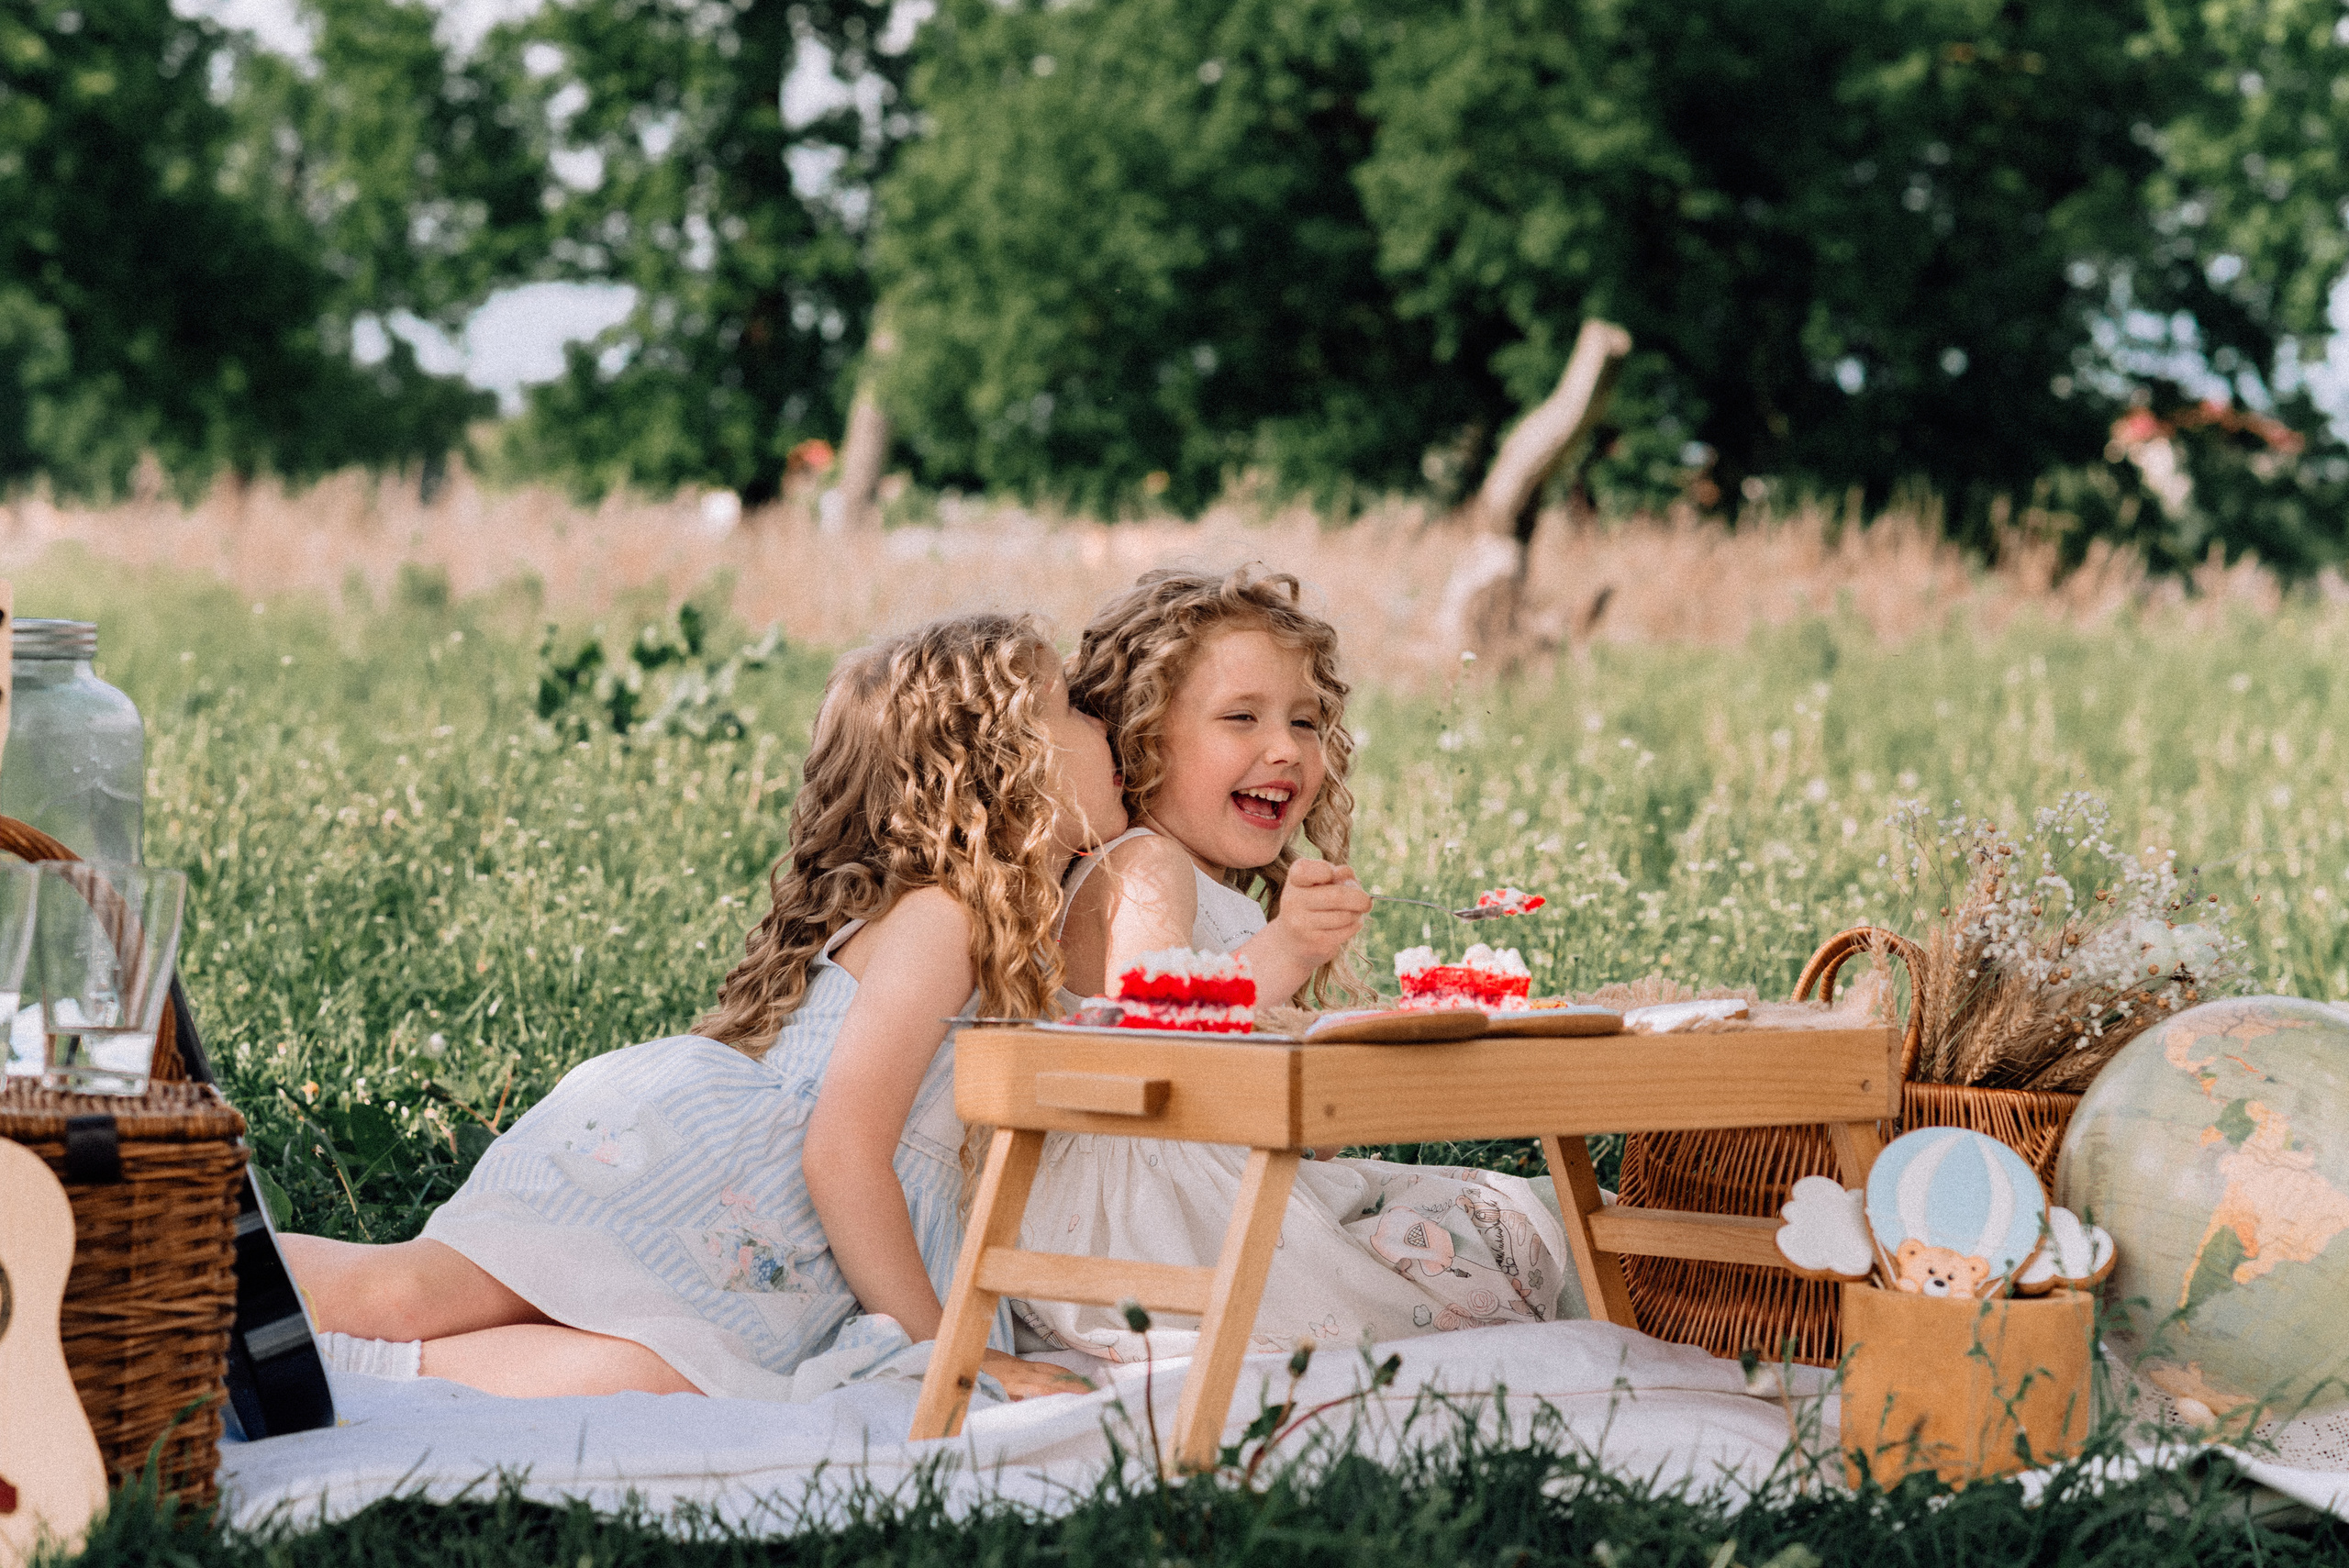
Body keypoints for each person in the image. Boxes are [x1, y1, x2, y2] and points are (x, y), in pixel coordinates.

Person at [281, 613, 1119, 1403]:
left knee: (659, 1375)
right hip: (726, 1182)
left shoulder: (993, 924)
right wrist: (951, 1350)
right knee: (418, 1289)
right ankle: (207, 1263)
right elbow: (843, 1153)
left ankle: (343, 1370)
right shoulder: (946, 916)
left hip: (784, 1244)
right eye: (1071, 708)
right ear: (1004, 764)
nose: (1101, 722)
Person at [1018, 567, 1574, 1363]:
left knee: (1513, 1218)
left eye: (1306, 721)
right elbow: (1158, 1038)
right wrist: (1286, 948)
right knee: (1520, 1235)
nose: (1284, 748)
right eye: (1241, 717)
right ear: (1141, 737)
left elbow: (1263, 1103)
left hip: (1189, 1200)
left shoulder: (1205, 888)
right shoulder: (1144, 864)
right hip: (1155, 1228)